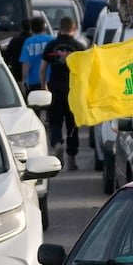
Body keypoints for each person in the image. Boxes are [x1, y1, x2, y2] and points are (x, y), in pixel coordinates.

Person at [42, 17, 88, 171]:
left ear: (59, 28)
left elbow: (43, 68)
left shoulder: (51, 45)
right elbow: (85, 71)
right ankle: (71, 159)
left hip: (55, 89)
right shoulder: (79, 46)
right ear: (73, 28)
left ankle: (57, 143)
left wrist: (44, 86)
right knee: (72, 125)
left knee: (54, 121)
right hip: (73, 91)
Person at [19, 17, 52, 92]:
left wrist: (24, 80)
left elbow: (26, 63)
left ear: (31, 28)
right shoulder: (51, 40)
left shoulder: (28, 42)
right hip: (50, 79)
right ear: (44, 27)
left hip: (33, 80)